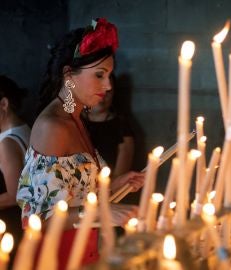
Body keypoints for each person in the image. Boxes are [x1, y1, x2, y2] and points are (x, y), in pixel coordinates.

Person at [16, 18, 144, 269]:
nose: (108, 86)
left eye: (109, 75)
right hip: (57, 256)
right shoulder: (53, 127)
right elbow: (36, 219)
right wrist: (101, 213)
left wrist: (115, 185)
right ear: (68, 75)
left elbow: (72, 192)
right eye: (99, 75)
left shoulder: (73, 115)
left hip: (82, 248)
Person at [0, 75, 31, 266]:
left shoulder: (7, 142)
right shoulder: (25, 128)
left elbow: (15, 195)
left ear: (4, 103)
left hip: (11, 228)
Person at [84, 73, 135, 179]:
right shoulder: (75, 121)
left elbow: (119, 177)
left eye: (108, 91)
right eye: (98, 89)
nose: (102, 95)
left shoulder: (122, 128)